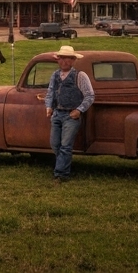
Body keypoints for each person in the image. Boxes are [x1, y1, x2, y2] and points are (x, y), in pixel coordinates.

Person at [44, 45, 94, 184]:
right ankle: (64, 166)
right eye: (62, 58)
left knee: (66, 145)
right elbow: (50, 92)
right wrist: (49, 107)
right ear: (58, 60)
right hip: (57, 113)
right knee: (55, 144)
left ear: (73, 60)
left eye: (68, 58)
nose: (64, 61)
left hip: (71, 116)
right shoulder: (55, 75)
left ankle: (61, 174)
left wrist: (79, 110)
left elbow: (90, 95)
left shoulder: (80, 76)